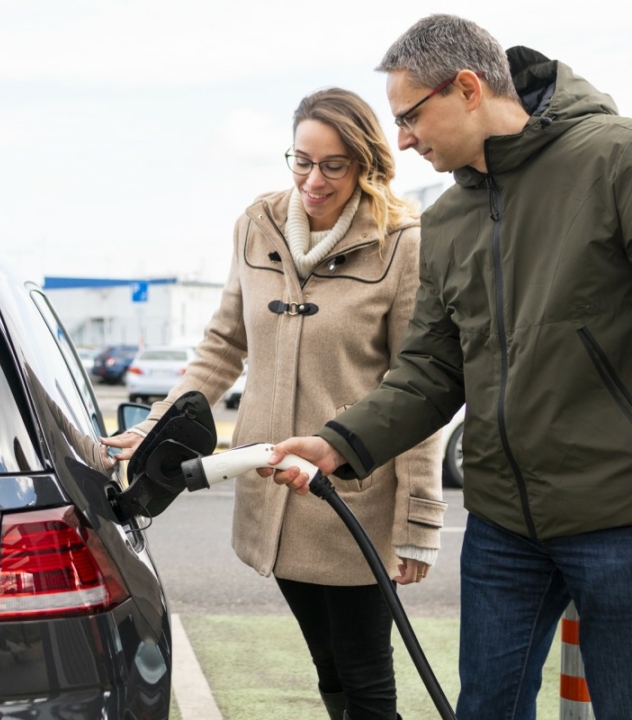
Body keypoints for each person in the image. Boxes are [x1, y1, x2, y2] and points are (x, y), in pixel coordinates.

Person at [264, 14, 632, 719]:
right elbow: (432, 366)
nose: (400, 138)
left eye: (408, 116)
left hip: (618, 516)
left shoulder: (615, 160)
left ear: (467, 88)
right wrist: (337, 442)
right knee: (486, 708)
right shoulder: (452, 217)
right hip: (502, 526)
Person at [103, 87, 445, 720]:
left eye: (334, 165)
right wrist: (152, 427)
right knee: (328, 668)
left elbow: (417, 389)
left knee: (368, 681)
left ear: (366, 163)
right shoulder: (256, 224)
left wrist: (419, 520)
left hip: (353, 499)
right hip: (272, 490)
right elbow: (220, 349)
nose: (313, 180)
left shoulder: (404, 243)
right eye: (302, 161)